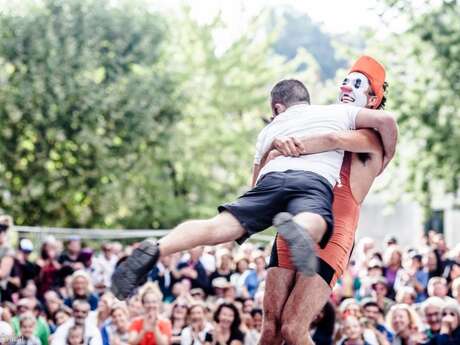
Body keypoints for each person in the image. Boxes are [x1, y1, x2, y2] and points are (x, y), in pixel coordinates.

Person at [112, 61, 398, 300]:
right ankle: (298, 230)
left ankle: (157, 247)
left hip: (270, 179)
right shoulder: (334, 113)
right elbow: (381, 124)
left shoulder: (270, 130)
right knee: (315, 217)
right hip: (312, 180)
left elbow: (256, 178)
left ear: (277, 108)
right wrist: (386, 158)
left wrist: (277, 156)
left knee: (217, 227)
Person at [260, 55, 394, 345]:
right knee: (270, 329)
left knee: (293, 329)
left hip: (333, 234)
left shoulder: (371, 139)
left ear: (372, 100)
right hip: (296, 224)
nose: (346, 87)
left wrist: (281, 144)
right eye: (345, 81)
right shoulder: (320, 124)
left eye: (357, 84)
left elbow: (333, 139)